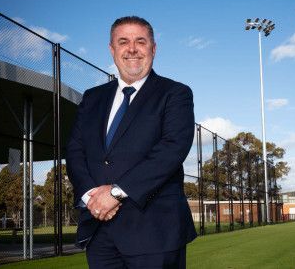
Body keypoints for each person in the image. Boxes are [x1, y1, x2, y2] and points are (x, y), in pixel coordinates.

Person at [66, 16, 197, 268]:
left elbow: (172, 149)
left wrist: (115, 193)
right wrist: (91, 196)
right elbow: (75, 149)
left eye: (141, 41)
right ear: (112, 49)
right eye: (123, 41)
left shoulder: (175, 93)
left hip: (155, 233)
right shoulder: (93, 97)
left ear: (153, 48)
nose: (132, 49)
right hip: (100, 231)